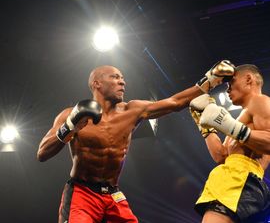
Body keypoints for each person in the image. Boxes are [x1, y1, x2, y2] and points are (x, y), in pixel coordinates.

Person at [37, 60, 234, 223]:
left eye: (122, 78)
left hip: (113, 194)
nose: (122, 82)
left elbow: (174, 103)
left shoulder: (132, 110)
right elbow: (42, 153)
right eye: (115, 77)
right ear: (96, 83)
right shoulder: (70, 114)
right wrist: (69, 126)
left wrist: (210, 80)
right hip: (82, 192)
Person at [189, 64, 270, 223]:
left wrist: (230, 126)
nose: (227, 90)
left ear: (248, 79)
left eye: (231, 82)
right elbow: (222, 156)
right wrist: (204, 126)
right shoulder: (240, 118)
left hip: (241, 179)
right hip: (233, 178)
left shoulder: (260, 101)